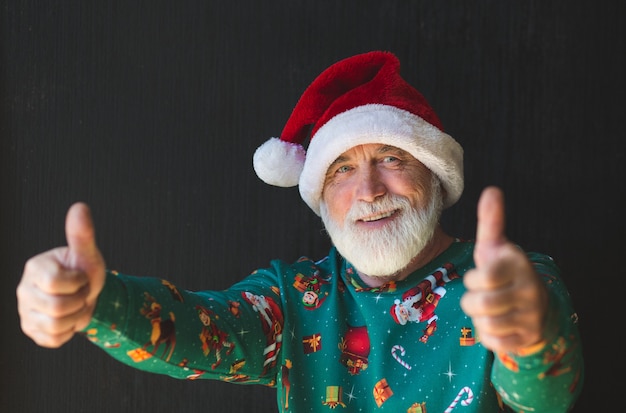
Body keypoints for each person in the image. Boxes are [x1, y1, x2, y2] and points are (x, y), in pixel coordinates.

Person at [16, 51, 583, 412]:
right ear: (319, 199)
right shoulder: (295, 300)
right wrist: (98, 301)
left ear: (436, 179)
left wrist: (530, 337)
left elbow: (546, 399)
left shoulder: (515, 282)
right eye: (342, 169)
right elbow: (199, 329)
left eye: (391, 158)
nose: (368, 191)